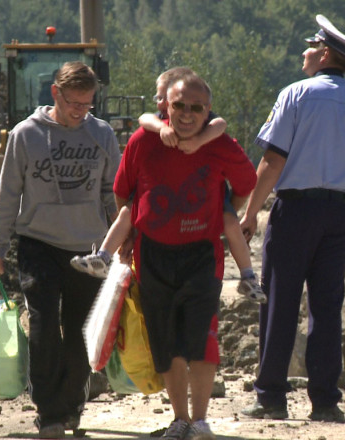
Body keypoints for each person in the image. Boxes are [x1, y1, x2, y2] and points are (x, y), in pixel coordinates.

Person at [239, 15, 345, 423]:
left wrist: (250, 211)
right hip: (341, 215)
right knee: (326, 307)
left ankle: (271, 396)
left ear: (325, 53)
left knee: (279, 301)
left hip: (295, 210)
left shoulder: (295, 95)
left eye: (310, 45)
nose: (304, 52)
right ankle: (325, 401)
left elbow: (273, 161)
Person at [115, 72, 257, 440]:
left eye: (196, 108)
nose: (187, 114)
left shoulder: (221, 144)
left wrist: (222, 212)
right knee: (166, 340)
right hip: (153, 256)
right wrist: (128, 236)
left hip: (201, 256)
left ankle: (202, 419)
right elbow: (123, 190)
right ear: (166, 105)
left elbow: (246, 185)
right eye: (179, 105)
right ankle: (180, 420)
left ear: (208, 111)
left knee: (201, 339)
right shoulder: (143, 141)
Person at [0, 61, 120, 439]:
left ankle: (72, 403)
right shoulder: (25, 135)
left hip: (89, 248)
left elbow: (114, 194)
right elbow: (8, 193)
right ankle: (49, 411)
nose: (80, 112)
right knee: (44, 326)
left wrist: (122, 244)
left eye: (87, 105)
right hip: (38, 244)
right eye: (74, 103)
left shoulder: (103, 135)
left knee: (80, 334)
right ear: (55, 94)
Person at [71, 67, 265, 303]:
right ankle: (103, 255)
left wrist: (198, 141)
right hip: (158, 201)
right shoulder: (155, 126)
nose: (161, 103)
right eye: (160, 98)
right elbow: (144, 119)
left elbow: (220, 125)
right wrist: (162, 128)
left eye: (163, 96)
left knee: (230, 221)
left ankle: (248, 275)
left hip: (203, 190)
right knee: (128, 211)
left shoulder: (206, 122)